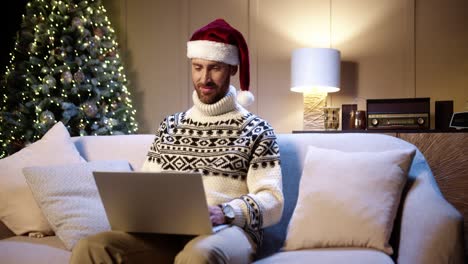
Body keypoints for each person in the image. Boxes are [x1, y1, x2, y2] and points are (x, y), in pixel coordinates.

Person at [70, 18, 284, 264]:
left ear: (232, 69)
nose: (205, 78)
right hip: (168, 234)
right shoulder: (171, 125)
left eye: (215, 68)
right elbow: (147, 183)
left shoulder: (257, 129)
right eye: (197, 67)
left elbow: (272, 200)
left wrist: (226, 212)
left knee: (198, 255)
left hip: (229, 231)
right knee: (91, 247)